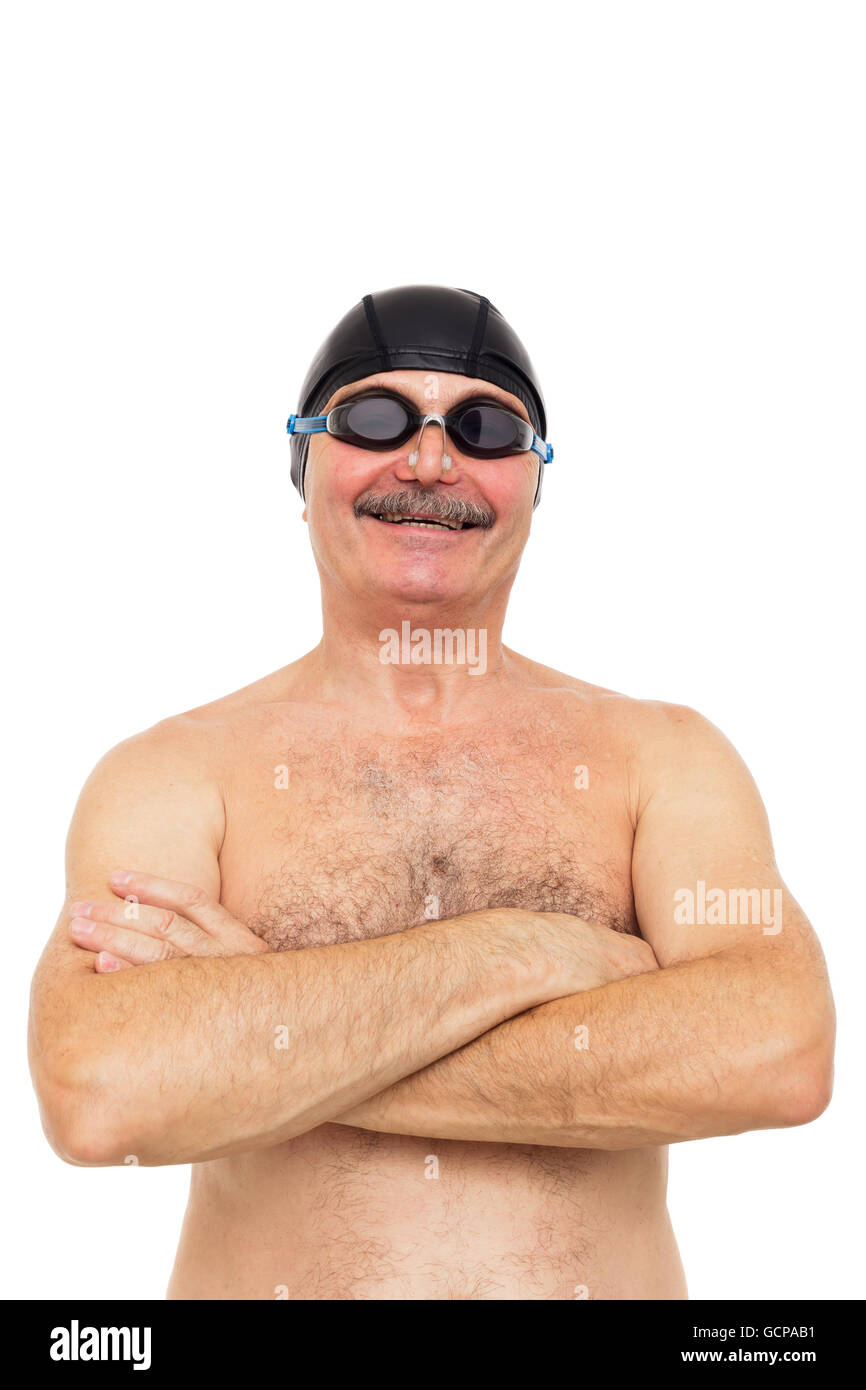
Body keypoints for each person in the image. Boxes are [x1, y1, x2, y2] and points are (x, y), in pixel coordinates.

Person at [29, 285, 835, 1301]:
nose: (428, 459)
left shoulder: (659, 755)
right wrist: (523, 950)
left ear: (534, 483)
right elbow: (101, 1091)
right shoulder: (173, 771)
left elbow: (776, 1048)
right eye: (374, 417)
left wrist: (273, 1036)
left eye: (483, 427)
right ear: (302, 461)